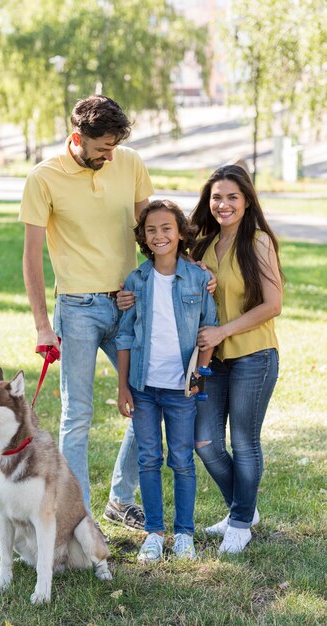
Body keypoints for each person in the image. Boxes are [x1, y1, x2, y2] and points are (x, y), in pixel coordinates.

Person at [19, 95, 154, 529]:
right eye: (101, 150)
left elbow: (150, 233)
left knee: (148, 400)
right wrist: (43, 324)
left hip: (128, 303)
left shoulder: (129, 162)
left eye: (114, 148)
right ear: (77, 138)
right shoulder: (44, 178)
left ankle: (121, 498)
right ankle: (80, 521)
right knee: (77, 416)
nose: (109, 157)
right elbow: (32, 257)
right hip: (77, 308)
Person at [116, 200, 217, 562]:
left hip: (181, 389)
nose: (159, 235)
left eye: (166, 229)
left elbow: (208, 331)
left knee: (181, 460)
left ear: (180, 233)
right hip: (143, 388)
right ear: (143, 237)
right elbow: (125, 336)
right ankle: (154, 533)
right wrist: (122, 385)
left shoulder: (198, 279)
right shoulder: (136, 280)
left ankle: (184, 533)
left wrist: (198, 377)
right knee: (147, 458)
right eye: (151, 230)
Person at [190, 164, 283, 554]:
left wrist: (224, 331)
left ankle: (241, 522)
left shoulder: (257, 241)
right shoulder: (205, 245)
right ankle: (244, 508)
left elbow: (273, 304)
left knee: (244, 442)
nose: (223, 204)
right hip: (215, 359)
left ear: (246, 200)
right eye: (216, 197)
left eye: (231, 197)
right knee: (206, 443)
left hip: (253, 356)